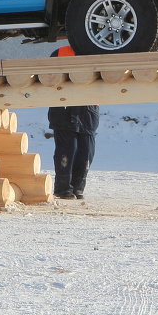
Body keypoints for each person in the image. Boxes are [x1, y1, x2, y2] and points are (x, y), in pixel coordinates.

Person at [47, 46, 99, 200]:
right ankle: (63, 190)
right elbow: (49, 79)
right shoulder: (60, 53)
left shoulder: (99, 53)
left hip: (88, 111)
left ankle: (78, 188)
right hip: (64, 109)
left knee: (86, 152)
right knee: (67, 151)